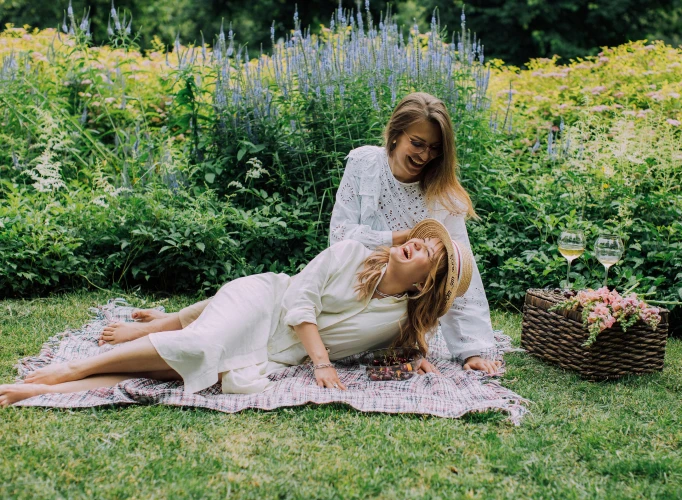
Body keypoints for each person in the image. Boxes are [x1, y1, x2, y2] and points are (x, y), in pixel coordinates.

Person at [96, 92, 499, 373]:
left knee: (270, 315)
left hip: (385, 310)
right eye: (417, 143)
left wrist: (473, 349)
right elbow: (340, 236)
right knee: (273, 297)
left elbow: (461, 273)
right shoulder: (363, 163)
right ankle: (158, 327)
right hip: (345, 278)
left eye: (434, 149)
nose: (424, 155)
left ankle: (168, 326)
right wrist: (398, 237)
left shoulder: (443, 195)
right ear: (395, 134)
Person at [0, 220, 497, 407]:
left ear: (429, 283)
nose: (415, 243)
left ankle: (35, 390)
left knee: (163, 376)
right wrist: (321, 362)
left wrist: (420, 360)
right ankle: (72, 367)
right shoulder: (348, 252)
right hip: (263, 305)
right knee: (197, 345)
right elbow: (298, 301)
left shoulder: (399, 321)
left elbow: (402, 353)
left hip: (268, 359)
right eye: (420, 237)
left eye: (429, 250)